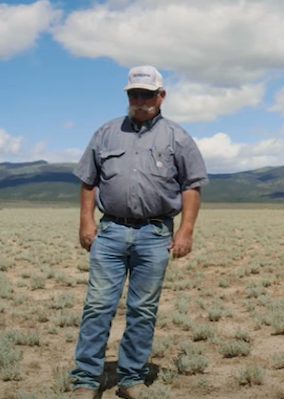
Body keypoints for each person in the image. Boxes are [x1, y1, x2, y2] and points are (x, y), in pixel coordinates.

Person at [70, 66, 208, 399]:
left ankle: (131, 378)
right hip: (111, 231)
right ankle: (86, 380)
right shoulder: (106, 133)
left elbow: (192, 186)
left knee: (143, 309)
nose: (140, 100)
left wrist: (186, 231)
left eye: (147, 94)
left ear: (161, 96)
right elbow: (89, 181)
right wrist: (86, 222)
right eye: (134, 94)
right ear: (127, 96)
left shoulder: (178, 137)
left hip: (155, 234)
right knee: (98, 305)